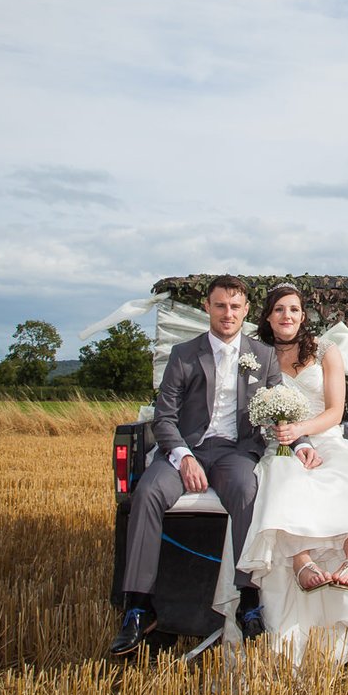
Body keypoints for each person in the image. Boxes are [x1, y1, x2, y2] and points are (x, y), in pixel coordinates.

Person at [214, 282, 348, 665]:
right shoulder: (253, 354)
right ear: (267, 316)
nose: (287, 316)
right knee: (283, 480)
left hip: (326, 438)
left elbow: (336, 411)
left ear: (303, 316)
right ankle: (302, 561)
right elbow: (246, 409)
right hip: (280, 443)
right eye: (279, 310)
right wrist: (281, 433)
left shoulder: (326, 351)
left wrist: (303, 431)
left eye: (294, 309)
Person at [108, 275, 282, 658]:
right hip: (187, 448)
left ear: (247, 310)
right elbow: (164, 418)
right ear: (207, 307)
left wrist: (287, 432)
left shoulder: (263, 356)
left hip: (235, 451)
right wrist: (183, 456)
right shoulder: (184, 354)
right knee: (149, 492)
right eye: (220, 305)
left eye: (235, 307)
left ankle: (249, 598)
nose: (228, 314)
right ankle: (138, 607)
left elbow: (274, 408)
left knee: (246, 490)